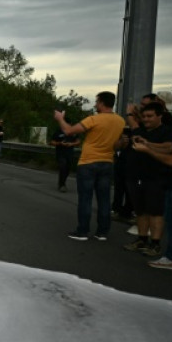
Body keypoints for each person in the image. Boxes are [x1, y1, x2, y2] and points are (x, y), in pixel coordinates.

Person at [132, 100, 172, 273]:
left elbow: (171, 159)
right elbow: (169, 150)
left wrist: (147, 150)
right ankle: (171, 258)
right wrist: (147, 143)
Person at [54, 91, 126, 241]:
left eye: (96, 101)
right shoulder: (120, 121)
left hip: (88, 162)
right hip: (107, 162)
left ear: (101, 103)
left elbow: (68, 130)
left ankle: (82, 231)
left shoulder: (94, 119)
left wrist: (60, 119)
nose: (95, 104)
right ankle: (102, 232)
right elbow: (118, 144)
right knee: (104, 199)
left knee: (86, 198)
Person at [122, 102, 172, 256]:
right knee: (140, 211)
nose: (146, 119)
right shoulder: (140, 130)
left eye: (150, 116)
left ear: (160, 116)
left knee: (155, 212)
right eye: (144, 116)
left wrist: (148, 145)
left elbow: (169, 147)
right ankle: (141, 239)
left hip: (156, 177)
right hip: (136, 177)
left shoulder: (167, 131)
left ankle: (155, 244)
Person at [49, 127, 79, 192]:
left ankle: (62, 182)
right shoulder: (58, 132)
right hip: (60, 153)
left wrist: (71, 144)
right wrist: (60, 143)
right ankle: (62, 185)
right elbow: (52, 142)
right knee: (63, 166)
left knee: (67, 168)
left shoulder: (73, 132)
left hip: (70, 154)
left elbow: (78, 141)